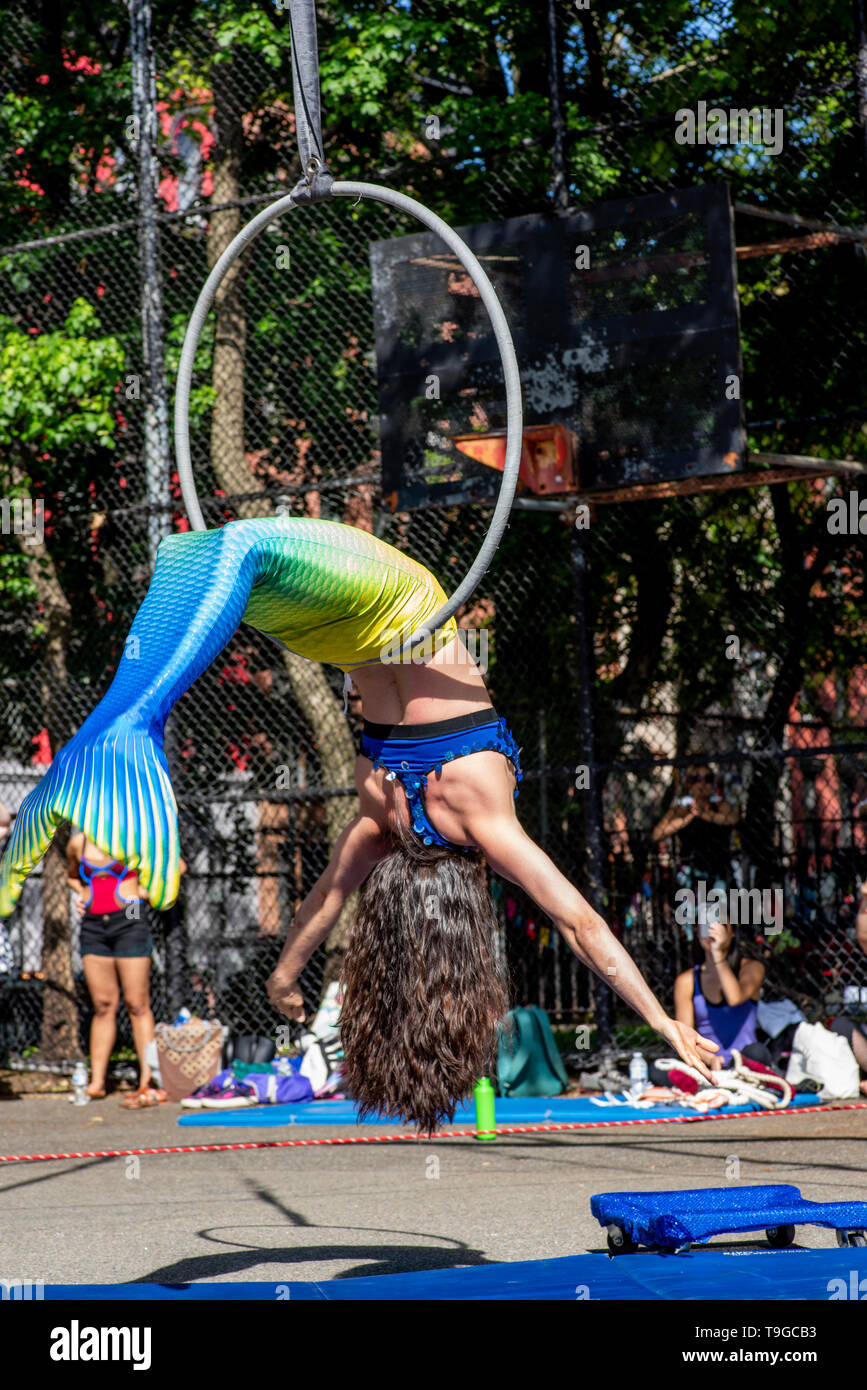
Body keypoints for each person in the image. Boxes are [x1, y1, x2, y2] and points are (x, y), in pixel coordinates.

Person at [0, 516, 716, 1130]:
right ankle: (122, 728)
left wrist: (662, 1020)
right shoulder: (382, 823)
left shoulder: (470, 821)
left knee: (228, 548)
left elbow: (576, 921)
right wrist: (285, 975)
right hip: (338, 629)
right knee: (206, 553)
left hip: (383, 601)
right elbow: (329, 901)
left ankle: (125, 728)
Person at [66, 830, 185, 1104]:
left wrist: (144, 891)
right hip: (94, 925)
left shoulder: (135, 835)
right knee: (103, 1005)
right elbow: (72, 875)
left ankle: (148, 1079)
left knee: (137, 1003)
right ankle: (96, 1082)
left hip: (130, 917)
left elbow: (176, 865)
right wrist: (81, 892)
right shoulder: (78, 842)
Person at [672, 913, 766, 1070]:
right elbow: (684, 1036)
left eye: (718, 924)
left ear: (732, 932)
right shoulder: (686, 981)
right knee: (658, 1070)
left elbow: (735, 998)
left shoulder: (752, 968)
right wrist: (711, 1060)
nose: (711, 930)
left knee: (757, 1052)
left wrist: (717, 954)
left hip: (747, 1062)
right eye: (705, 925)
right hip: (710, 1064)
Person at [652, 763, 739, 886]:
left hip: (719, 871)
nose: (702, 784)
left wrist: (704, 813)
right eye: (697, 779)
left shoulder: (720, 805)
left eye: (707, 779)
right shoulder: (681, 809)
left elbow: (732, 819)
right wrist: (687, 818)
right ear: (689, 784)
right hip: (690, 873)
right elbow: (657, 833)